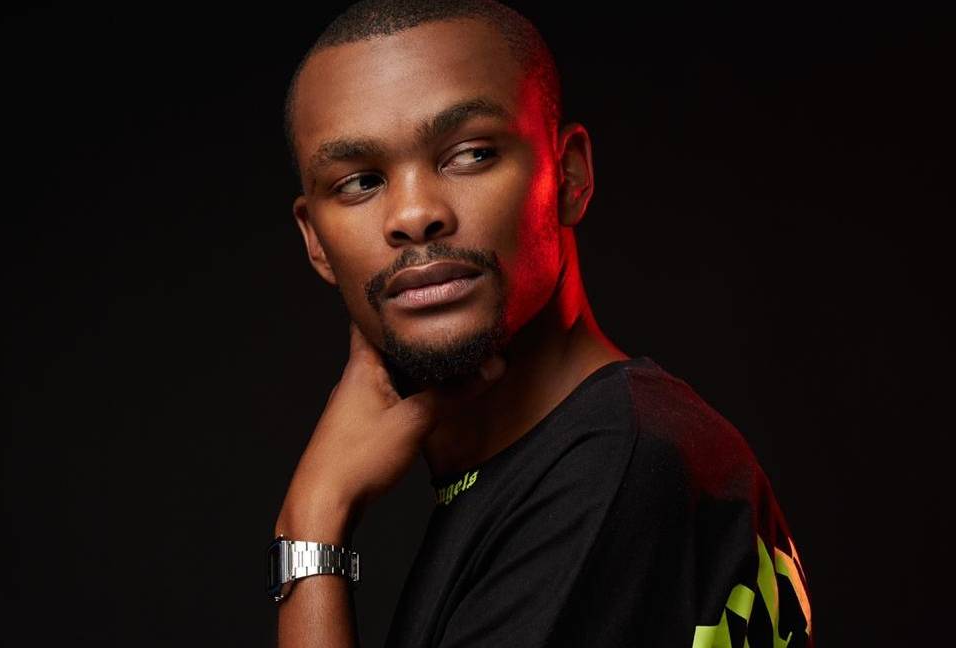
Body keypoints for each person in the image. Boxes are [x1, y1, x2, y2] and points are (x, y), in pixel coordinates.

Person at [269, 1, 813, 646]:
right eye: (360, 182)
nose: (413, 215)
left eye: (470, 154)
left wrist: (313, 520)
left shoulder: (610, 472)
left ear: (570, 176)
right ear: (315, 240)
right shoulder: (602, 447)